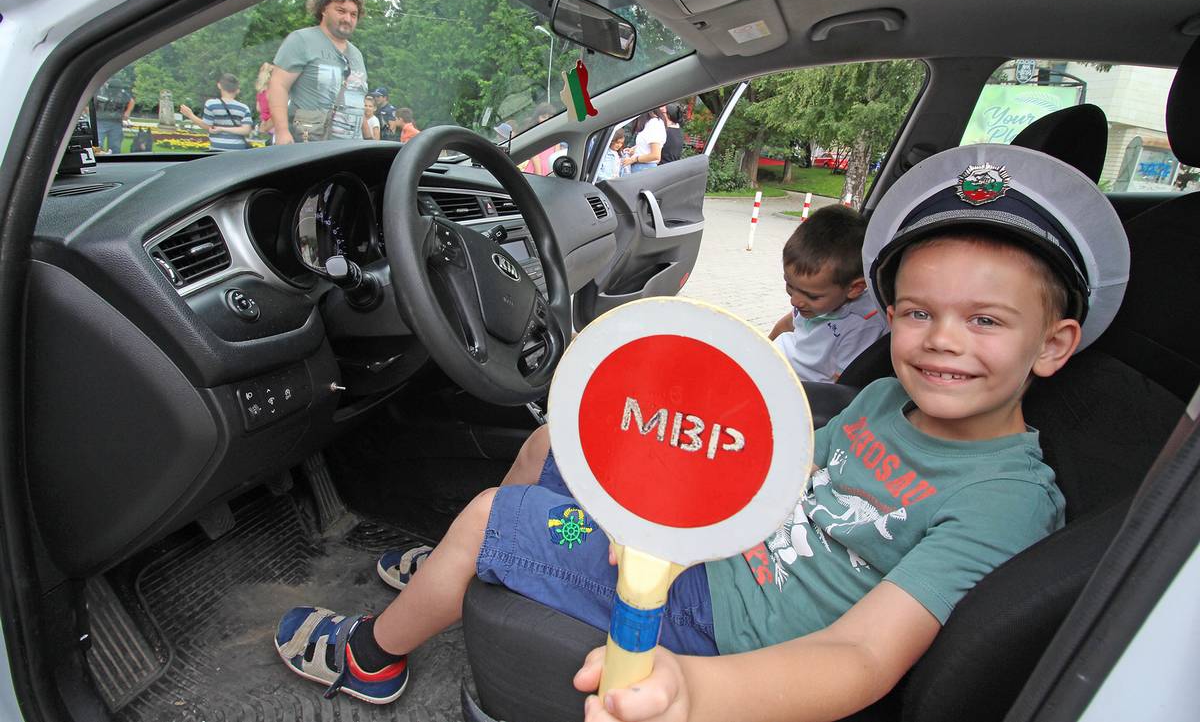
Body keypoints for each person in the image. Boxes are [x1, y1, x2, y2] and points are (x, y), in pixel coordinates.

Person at [274, 147, 1127, 721]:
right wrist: (674, 492)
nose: (942, 340)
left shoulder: (1005, 500)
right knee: (554, 446)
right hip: (709, 552)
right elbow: (781, 478)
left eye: (985, 320)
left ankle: (371, 655)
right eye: (917, 312)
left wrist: (695, 688)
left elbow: (862, 655)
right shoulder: (878, 403)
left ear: (1055, 344)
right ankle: (487, 562)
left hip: (717, 623)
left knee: (491, 513)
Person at [767, 205, 888, 382]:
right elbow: (787, 324)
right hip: (777, 361)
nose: (795, 301)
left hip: (804, 386)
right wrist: (762, 347)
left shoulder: (862, 326)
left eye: (812, 296)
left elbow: (842, 383)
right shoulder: (815, 302)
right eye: (790, 285)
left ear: (854, 289)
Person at [268, 0, 368, 144]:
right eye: (341, 11)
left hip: (350, 148)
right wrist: (282, 131)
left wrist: (368, 139)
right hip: (309, 146)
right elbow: (278, 85)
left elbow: (357, 100)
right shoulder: (301, 40)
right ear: (323, 9)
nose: (347, 19)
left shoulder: (356, 54)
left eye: (353, 14)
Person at [179, 73, 252, 151]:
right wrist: (224, 129)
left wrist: (190, 115)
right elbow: (246, 130)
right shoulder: (244, 108)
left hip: (217, 149)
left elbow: (207, 126)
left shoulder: (211, 104)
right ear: (237, 90)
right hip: (238, 151)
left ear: (219, 85)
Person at [93, 70, 134, 154]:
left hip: (116, 123)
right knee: (97, 144)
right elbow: (89, 102)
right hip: (100, 121)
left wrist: (127, 112)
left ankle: (115, 158)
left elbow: (131, 101)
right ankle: (97, 158)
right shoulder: (100, 91)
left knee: (115, 146)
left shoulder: (122, 93)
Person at [622, 107, 667, 173]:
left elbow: (655, 155)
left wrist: (634, 159)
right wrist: (635, 149)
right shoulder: (650, 123)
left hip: (644, 168)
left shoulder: (654, 124)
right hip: (641, 167)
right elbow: (647, 146)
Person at [254, 62, 275, 143]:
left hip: (265, 124)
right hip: (274, 126)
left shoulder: (260, 93)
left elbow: (258, 108)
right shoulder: (274, 92)